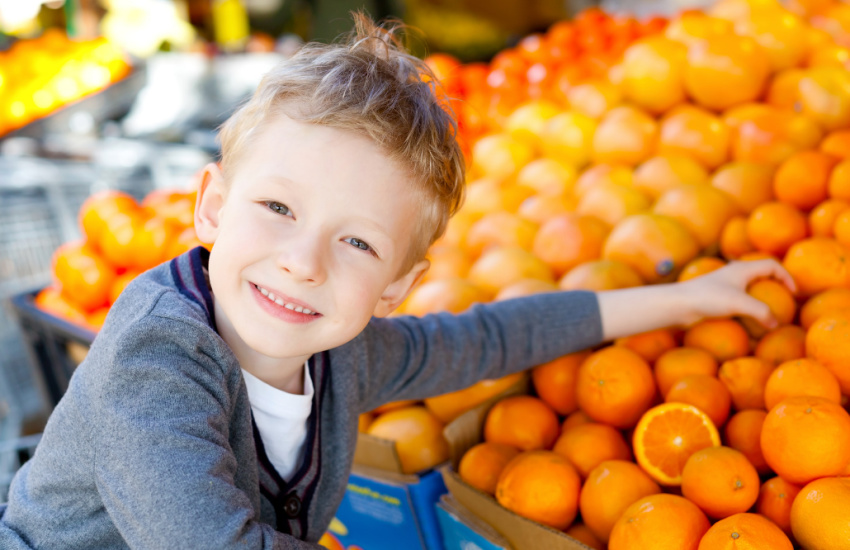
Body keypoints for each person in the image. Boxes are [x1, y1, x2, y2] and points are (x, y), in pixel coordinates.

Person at [0, 13, 795, 550]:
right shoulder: (155, 366)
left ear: (395, 288)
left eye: (355, 241)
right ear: (210, 207)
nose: (303, 261)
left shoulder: (344, 354)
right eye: (277, 207)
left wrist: (687, 297)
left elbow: (494, 336)